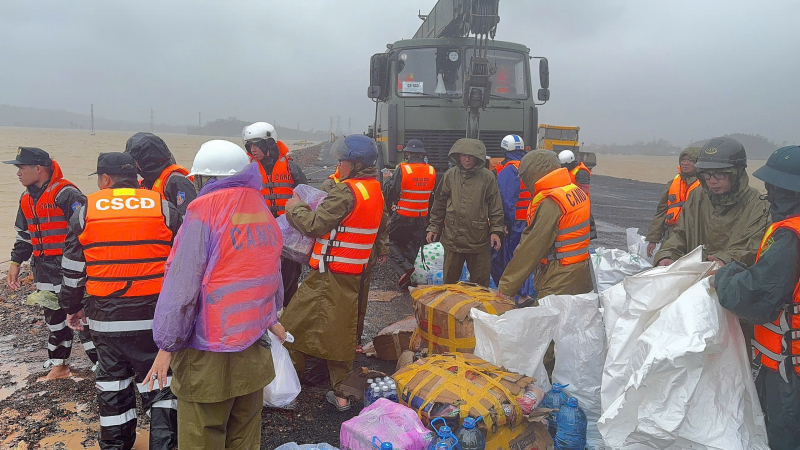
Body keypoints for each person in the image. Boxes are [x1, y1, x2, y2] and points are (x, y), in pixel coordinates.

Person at [145, 140, 285, 448]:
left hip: (208, 352)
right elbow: (270, 270)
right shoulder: (258, 205)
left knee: (203, 434)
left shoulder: (203, 210)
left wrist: (166, 346)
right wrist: (272, 316)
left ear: (202, 179)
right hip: (253, 347)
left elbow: (182, 286)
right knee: (245, 436)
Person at [59, 152, 179, 449]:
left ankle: (116, 445)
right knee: (160, 386)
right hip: (155, 319)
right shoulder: (163, 207)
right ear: (136, 178)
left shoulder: (87, 211)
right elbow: (184, 261)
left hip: (105, 320)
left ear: (105, 179)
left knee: (113, 387)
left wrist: (71, 307)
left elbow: (73, 269)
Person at [281, 135, 387, 411]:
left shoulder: (346, 191)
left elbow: (315, 224)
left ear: (354, 163)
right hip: (351, 274)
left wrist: (295, 208)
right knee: (339, 329)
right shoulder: (372, 189)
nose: (338, 165)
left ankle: (292, 384)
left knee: (293, 325)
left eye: (342, 160)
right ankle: (333, 387)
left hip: (329, 276)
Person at [714, 145, 800, 449]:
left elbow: (750, 298)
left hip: (789, 372)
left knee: (784, 437)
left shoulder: (791, 237)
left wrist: (727, 273)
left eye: (773, 188)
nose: (769, 195)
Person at [4, 147, 97, 379]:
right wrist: (16, 263)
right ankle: (60, 364)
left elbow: (88, 230)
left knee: (83, 317)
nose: (18, 173)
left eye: (21, 167)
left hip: (71, 268)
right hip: (43, 268)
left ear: (39, 168)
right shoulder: (26, 198)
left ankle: (102, 364)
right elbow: (24, 235)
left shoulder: (67, 194)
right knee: (54, 318)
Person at [654, 137, 770, 267]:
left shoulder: (760, 206)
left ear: (737, 173)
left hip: (731, 280)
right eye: (706, 174)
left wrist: (724, 260)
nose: (712, 181)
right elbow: (681, 234)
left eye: (720, 174)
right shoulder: (697, 197)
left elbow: (754, 246)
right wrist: (668, 255)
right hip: (693, 277)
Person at [496, 150, 593, 304]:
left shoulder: (552, 202)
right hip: (581, 271)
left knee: (547, 323)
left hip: (560, 277)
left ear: (534, 173)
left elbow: (532, 248)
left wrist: (507, 286)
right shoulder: (574, 191)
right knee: (574, 320)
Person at [243, 122, 308, 309]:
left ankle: (288, 319)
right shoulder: (248, 170)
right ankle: (266, 317)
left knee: (289, 280)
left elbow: (305, 200)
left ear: (270, 143)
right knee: (263, 280)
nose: (253, 150)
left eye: (256, 145)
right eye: (249, 146)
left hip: (288, 234)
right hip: (261, 235)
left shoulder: (291, 168)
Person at [426, 138, 504, 286]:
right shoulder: (450, 175)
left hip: (478, 240)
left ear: (477, 158)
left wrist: (496, 231)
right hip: (453, 238)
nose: (467, 160)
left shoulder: (488, 177)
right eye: (463, 156)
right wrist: (434, 227)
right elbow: (439, 203)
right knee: (449, 284)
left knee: (480, 286)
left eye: (471, 156)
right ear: (458, 156)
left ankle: (476, 310)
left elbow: (495, 207)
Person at [384, 139, 436, 292]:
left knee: (389, 242)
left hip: (402, 215)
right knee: (414, 246)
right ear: (422, 154)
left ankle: (405, 269)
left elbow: (391, 191)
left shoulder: (403, 168)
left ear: (407, 153)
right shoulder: (431, 170)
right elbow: (432, 196)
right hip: (422, 217)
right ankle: (415, 277)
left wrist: (387, 179)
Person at [491, 135, 533, 296]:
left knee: (508, 259)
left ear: (504, 150)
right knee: (522, 258)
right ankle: (523, 294)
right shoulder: (527, 167)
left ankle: (513, 294)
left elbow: (507, 200)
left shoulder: (509, 170)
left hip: (514, 223)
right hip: (528, 221)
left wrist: (504, 222)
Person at [644, 147, 702, 257]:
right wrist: (653, 240)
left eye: (690, 160)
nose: (685, 163)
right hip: (671, 235)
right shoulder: (673, 183)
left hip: (694, 237)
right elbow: (661, 212)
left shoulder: (707, 185)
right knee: (663, 263)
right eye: (683, 160)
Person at [124, 132, 196, 218]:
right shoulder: (146, 182)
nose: (133, 165)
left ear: (146, 160)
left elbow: (190, 219)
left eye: (135, 160)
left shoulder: (176, 180)